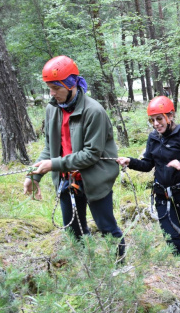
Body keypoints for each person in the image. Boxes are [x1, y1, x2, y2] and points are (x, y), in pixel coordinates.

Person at [23, 55, 126, 260]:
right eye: (49, 87)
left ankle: (120, 267)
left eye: (56, 88)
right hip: (66, 180)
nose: (52, 93)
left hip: (95, 179)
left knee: (107, 227)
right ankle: (86, 268)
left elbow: (91, 154)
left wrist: (54, 164)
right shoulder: (52, 109)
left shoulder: (94, 111)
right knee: (73, 230)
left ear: (71, 85)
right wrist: (33, 175)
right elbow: (50, 148)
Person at [116, 96, 180, 257]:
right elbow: (147, 164)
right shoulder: (153, 138)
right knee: (170, 235)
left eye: (159, 119)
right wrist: (130, 161)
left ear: (170, 116)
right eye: (152, 120)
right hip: (161, 193)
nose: (156, 124)